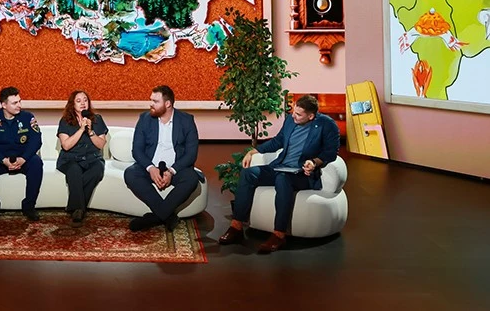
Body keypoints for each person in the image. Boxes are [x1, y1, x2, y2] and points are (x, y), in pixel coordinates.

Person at [218, 94, 340, 254]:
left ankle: (279, 235)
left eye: (298, 114)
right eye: (293, 112)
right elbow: (278, 141)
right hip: (280, 166)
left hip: (302, 174)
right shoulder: (290, 120)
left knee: (283, 179)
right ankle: (236, 227)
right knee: (248, 174)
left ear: (311, 116)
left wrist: (314, 162)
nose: (293, 116)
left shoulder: (327, 125)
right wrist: (254, 151)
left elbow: (331, 153)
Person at [123, 85, 201, 232]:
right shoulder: (144, 119)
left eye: (155, 101)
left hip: (175, 168)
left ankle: (155, 217)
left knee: (191, 179)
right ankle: (168, 216)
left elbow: (191, 154)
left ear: (168, 104)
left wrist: (171, 171)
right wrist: (150, 168)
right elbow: (137, 150)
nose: (151, 104)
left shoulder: (186, 120)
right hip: (151, 166)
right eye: (151, 100)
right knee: (130, 173)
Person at [0, 86, 43, 223]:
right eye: (14, 103)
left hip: (22, 158)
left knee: (36, 163)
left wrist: (24, 158)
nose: (19, 105)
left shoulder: (28, 117)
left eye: (20, 101)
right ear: (3, 105)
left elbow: (36, 141)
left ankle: (29, 207)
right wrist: (3, 160)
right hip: (0, 159)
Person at [57, 90, 108, 227]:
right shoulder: (65, 121)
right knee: (74, 170)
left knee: (97, 170)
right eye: (78, 101)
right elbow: (66, 145)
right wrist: (81, 130)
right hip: (70, 159)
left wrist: (90, 131)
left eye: (85, 100)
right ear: (72, 104)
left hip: (92, 159)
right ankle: (79, 210)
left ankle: (74, 206)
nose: (83, 103)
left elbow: (101, 144)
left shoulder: (97, 119)